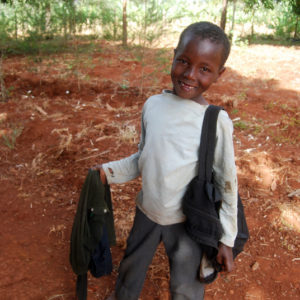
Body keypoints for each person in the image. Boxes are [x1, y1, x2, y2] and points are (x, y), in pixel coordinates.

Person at [94, 21, 238, 300]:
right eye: (183, 61)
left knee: (186, 285)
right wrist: (106, 172)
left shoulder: (215, 121)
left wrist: (226, 240)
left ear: (219, 74)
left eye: (204, 69)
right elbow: (142, 159)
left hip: (187, 222)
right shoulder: (153, 105)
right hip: (147, 212)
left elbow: (228, 183)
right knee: (130, 271)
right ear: (173, 55)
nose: (190, 74)